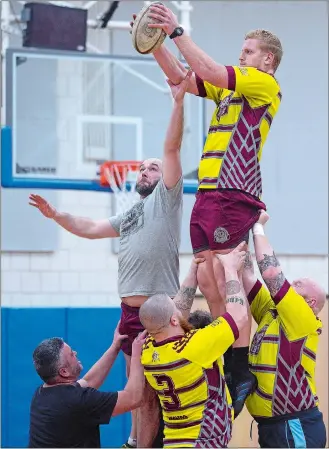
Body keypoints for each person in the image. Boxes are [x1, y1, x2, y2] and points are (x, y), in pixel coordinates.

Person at [134, 4, 284, 413]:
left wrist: (177, 31)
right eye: (243, 50)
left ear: (266, 59)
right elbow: (182, 79)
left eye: (249, 51)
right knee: (206, 276)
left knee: (222, 271)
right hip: (208, 193)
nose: (243, 55)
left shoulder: (263, 86)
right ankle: (228, 357)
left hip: (235, 192)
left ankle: (240, 366)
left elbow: (214, 71)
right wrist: (155, 43)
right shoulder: (233, 89)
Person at [29, 71, 191, 448]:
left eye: (151, 166)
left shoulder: (166, 200)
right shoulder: (130, 214)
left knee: (149, 393)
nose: (146, 170)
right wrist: (57, 216)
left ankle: (144, 445)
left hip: (157, 310)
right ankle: (135, 440)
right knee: (133, 387)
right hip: (128, 310)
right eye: (142, 168)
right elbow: (87, 226)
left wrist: (178, 102)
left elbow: (171, 148)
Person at [139, 242, 249, 448]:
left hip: (173, 442)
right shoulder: (195, 346)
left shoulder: (148, 350)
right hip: (202, 442)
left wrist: (193, 272)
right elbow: (239, 315)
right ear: (173, 320)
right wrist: (231, 269)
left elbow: (176, 312)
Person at [242, 211, 327, 448]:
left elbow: (271, 274)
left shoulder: (303, 318)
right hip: (273, 427)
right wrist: (241, 229)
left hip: (295, 425)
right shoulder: (274, 313)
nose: (292, 282)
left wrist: (258, 226)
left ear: (310, 303)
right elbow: (248, 276)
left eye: (299, 284)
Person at [29, 323, 146, 448]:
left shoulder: (41, 394)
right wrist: (137, 355)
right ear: (64, 372)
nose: (75, 352)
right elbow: (133, 398)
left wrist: (115, 347)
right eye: (71, 354)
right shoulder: (78, 401)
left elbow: (89, 382)